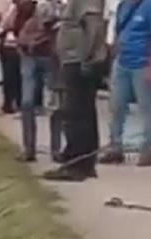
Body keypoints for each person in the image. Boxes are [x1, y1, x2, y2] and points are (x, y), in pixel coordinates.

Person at [43, 0, 107, 180]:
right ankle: (84, 162)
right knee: (82, 112)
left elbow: (93, 26)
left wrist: (87, 57)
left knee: (76, 113)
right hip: (73, 60)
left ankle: (77, 164)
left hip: (78, 61)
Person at [99, 0, 151, 166]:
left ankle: (148, 148)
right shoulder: (123, 6)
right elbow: (117, 33)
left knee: (147, 108)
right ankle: (115, 146)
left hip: (142, 63)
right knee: (116, 106)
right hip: (122, 61)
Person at [15, 0, 58, 161]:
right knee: (27, 103)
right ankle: (29, 149)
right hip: (31, 59)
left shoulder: (55, 25)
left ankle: (56, 149)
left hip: (49, 60)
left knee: (55, 106)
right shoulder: (30, 22)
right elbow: (20, 41)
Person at [0, 0, 22, 113]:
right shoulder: (13, 8)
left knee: (11, 76)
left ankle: (11, 103)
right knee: (14, 76)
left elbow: (4, 25)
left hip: (12, 45)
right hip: (11, 45)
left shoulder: (14, 8)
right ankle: (12, 102)